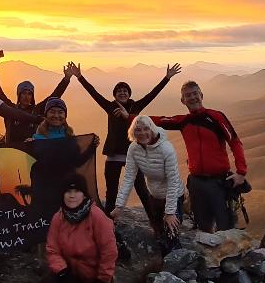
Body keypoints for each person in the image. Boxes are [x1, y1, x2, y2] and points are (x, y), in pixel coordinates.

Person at [69, 63, 181, 213]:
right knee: (112, 192)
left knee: (142, 190)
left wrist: (166, 78)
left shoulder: (135, 107)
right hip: (114, 155)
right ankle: (109, 225)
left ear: (129, 94)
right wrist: (80, 77)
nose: (122, 93)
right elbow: (93, 93)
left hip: (133, 155)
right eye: (119, 91)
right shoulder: (110, 107)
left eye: (125, 91)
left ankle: (156, 224)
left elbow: (152, 95)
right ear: (114, 95)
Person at [152, 81, 248, 233]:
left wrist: (241, 172)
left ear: (201, 95)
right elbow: (156, 120)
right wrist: (128, 117)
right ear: (183, 100)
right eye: (188, 95)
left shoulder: (216, 117)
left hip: (219, 182)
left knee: (226, 228)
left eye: (195, 94)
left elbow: (235, 142)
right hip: (196, 183)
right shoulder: (183, 121)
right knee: (203, 227)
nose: (192, 97)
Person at [45, 175, 117, 283]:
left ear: (84, 194)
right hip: (70, 273)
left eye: (77, 191)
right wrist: (62, 272)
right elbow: (52, 249)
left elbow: (109, 252)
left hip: (95, 275)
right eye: (68, 191)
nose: (72, 195)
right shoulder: (58, 218)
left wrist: (102, 280)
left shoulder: (97, 217)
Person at [110, 116, 185, 252]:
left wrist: (170, 212)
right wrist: (119, 206)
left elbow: (173, 180)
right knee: (158, 231)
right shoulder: (133, 148)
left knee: (171, 232)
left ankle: (177, 265)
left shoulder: (166, 149)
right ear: (133, 132)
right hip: (155, 195)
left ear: (152, 129)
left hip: (174, 194)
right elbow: (128, 177)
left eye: (146, 129)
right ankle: (163, 261)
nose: (142, 133)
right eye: (138, 130)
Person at [0, 49, 72, 143]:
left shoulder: (37, 110)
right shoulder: (10, 109)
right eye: (23, 93)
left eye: (29, 93)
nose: (26, 96)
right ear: (19, 95)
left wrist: (66, 79)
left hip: (33, 152)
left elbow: (55, 95)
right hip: (12, 152)